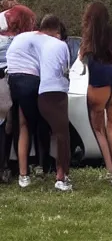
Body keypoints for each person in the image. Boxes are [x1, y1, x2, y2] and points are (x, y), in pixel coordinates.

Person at [6, 14, 59, 187]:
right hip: (31, 80)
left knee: (22, 125)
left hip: (13, 79)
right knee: (38, 124)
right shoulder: (46, 41)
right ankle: (42, 166)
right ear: (53, 30)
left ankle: (23, 175)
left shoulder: (24, 36)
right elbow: (49, 67)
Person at [80, 2, 112, 187]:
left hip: (99, 78)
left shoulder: (89, 37)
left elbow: (81, 59)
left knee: (98, 128)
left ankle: (109, 170)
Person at [35, 16, 72, 191]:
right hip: (57, 92)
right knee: (62, 136)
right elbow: (64, 69)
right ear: (57, 31)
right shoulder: (62, 45)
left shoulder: (41, 46)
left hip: (42, 93)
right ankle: (60, 177)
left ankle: (59, 171)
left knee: (56, 133)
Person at [0, 0, 36, 182]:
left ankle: (7, 165)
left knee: (6, 126)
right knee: (15, 126)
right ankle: (13, 166)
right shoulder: (20, 38)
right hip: (9, 83)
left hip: (6, 82)